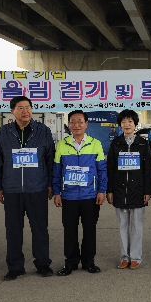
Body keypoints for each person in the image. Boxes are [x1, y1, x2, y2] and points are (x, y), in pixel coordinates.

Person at [0, 96, 55, 281]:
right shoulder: (4, 132)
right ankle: (15, 266)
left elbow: (50, 159)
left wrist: (51, 184)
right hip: (12, 189)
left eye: (28, 107)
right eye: (20, 108)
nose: (25, 111)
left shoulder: (43, 130)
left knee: (40, 228)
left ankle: (43, 263)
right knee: (13, 229)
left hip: (37, 187)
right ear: (12, 111)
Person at [53, 110, 107, 276]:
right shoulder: (62, 145)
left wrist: (102, 190)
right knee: (69, 230)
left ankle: (88, 262)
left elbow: (102, 170)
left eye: (80, 122)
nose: (76, 125)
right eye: (73, 122)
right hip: (68, 196)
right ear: (69, 124)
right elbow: (56, 170)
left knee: (89, 229)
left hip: (89, 195)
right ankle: (70, 263)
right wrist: (57, 192)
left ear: (86, 124)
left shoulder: (95, 143)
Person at [106, 110, 151, 270]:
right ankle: (124, 257)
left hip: (138, 190)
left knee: (137, 226)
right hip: (120, 190)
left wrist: (147, 191)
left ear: (135, 124)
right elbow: (110, 168)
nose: (127, 125)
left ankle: (136, 257)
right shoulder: (116, 143)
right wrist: (110, 190)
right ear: (120, 125)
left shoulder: (143, 143)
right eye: (124, 122)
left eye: (130, 122)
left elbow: (147, 169)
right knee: (122, 226)